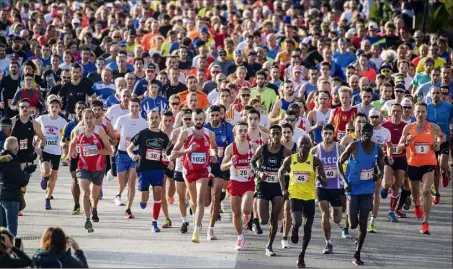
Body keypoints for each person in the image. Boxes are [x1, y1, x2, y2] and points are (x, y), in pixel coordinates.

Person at [338, 122, 384, 265]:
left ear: (372, 134)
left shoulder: (377, 148)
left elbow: (380, 163)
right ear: (359, 132)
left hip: (367, 188)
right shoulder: (354, 146)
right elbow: (339, 162)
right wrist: (344, 182)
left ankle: (357, 254)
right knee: (353, 224)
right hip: (352, 188)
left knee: (363, 222)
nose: (366, 134)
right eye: (363, 131)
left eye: (369, 132)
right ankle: (356, 231)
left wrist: (379, 173)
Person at [278, 136, 327, 268]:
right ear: (298, 145)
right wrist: (283, 188)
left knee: (308, 228)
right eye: (302, 143)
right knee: (298, 221)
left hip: (310, 197)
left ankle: (302, 255)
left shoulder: (315, 161)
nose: (304, 146)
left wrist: (318, 176)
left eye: (307, 144)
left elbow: (325, 182)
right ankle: (294, 228)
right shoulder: (291, 159)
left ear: (311, 146)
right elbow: (280, 171)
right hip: (294, 195)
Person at [170, 109, 217, 243]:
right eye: (195, 119)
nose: (198, 122)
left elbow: (214, 148)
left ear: (204, 119)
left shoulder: (210, 134)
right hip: (188, 170)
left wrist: (213, 155)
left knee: (200, 199)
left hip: (203, 170)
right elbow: (173, 153)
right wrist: (188, 150)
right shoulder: (185, 133)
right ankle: (197, 218)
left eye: (200, 119)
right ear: (192, 119)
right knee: (193, 199)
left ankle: (196, 231)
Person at [397, 102, 444, 235]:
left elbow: (442, 136)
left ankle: (425, 223)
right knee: (415, 195)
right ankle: (417, 204)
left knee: (426, 191)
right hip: (413, 165)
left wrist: (438, 144)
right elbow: (400, 147)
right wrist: (406, 142)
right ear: (414, 113)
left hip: (429, 164)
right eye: (418, 112)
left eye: (423, 112)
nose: (420, 114)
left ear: (426, 113)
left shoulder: (433, 127)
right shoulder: (408, 128)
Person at [68, 109, 112, 232]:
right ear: (82, 119)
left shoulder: (100, 131)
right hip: (83, 167)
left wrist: (96, 151)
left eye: (90, 117)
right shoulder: (78, 131)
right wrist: (70, 153)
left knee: (94, 195)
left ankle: (94, 208)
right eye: (85, 118)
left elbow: (109, 151)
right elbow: (73, 142)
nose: (88, 120)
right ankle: (87, 220)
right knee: (85, 193)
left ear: (94, 118)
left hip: (98, 168)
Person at [251, 124, 292, 257]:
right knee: (264, 220)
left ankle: (269, 246)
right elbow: (252, 163)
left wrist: (286, 172)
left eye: (277, 134)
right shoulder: (263, 149)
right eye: (273, 133)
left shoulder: (286, 151)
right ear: (270, 135)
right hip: (263, 185)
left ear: (281, 135)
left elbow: (293, 168)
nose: (275, 136)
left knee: (275, 219)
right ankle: (255, 221)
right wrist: (259, 172)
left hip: (278, 187)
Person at [127, 110, 170, 232]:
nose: (154, 120)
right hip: (143, 169)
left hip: (158, 169)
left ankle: (154, 222)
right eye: (152, 118)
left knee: (158, 191)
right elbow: (129, 148)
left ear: (160, 118)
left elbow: (167, 154)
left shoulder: (163, 137)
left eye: (156, 117)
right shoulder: (142, 134)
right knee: (144, 200)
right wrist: (132, 156)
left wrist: (169, 161)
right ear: (148, 119)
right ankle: (143, 201)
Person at [221, 121, 257, 250]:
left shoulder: (254, 146)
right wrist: (230, 162)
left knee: (246, 210)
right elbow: (222, 167)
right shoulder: (230, 148)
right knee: (236, 214)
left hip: (248, 183)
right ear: (235, 131)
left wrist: (256, 169)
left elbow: (261, 162)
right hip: (234, 182)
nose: (242, 133)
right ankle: (240, 237)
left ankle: (247, 217)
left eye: (244, 130)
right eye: (240, 130)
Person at [310, 124, 344, 254]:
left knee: (337, 218)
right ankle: (328, 243)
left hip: (336, 186)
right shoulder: (316, 150)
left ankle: (333, 212)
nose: (328, 136)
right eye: (325, 133)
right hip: (322, 186)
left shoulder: (340, 148)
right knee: (324, 215)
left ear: (333, 134)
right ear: (322, 134)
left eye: (330, 133)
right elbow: (308, 164)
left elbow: (350, 159)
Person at [114, 97, 148, 218]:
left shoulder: (144, 123)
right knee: (122, 183)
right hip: (122, 153)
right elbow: (114, 133)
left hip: (135, 154)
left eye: (136, 106)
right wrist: (113, 144)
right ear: (128, 107)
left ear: (139, 107)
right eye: (132, 106)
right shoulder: (122, 119)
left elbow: (145, 141)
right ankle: (118, 194)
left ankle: (128, 209)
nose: (134, 109)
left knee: (132, 182)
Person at [204, 105, 233, 240]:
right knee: (205, 202)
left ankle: (211, 228)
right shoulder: (204, 129)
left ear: (221, 116)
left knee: (215, 196)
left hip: (220, 168)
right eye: (212, 116)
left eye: (217, 115)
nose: (215, 118)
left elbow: (232, 147)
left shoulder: (227, 129)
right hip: (205, 167)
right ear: (208, 116)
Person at [35, 97, 67, 210]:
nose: (54, 108)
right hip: (45, 149)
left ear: (59, 108)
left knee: (53, 178)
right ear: (48, 108)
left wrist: (64, 146)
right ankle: (44, 176)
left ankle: (47, 199)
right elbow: (34, 128)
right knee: (47, 170)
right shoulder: (42, 119)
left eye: (56, 107)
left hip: (56, 152)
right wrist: (36, 139)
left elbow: (65, 137)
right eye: (52, 106)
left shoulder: (63, 122)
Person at [0, 137, 36, 236]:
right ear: (16, 149)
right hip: (11, 197)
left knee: (2, 228)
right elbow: (21, 182)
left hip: (1, 195)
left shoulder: (2, 159)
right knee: (11, 228)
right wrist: (27, 172)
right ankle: (10, 248)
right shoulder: (12, 163)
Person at [168, 109, 193, 234]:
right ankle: (184, 221)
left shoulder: (197, 131)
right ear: (182, 119)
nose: (188, 121)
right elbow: (171, 150)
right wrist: (170, 159)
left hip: (193, 167)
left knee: (191, 196)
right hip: (179, 166)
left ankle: (193, 213)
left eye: (190, 118)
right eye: (186, 118)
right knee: (181, 197)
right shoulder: (177, 131)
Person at [367, 108, 392, 233]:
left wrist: (389, 155)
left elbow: (389, 145)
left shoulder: (385, 131)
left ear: (381, 118)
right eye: (372, 117)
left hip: (378, 163)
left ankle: (372, 220)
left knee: (376, 192)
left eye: (377, 117)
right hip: (365, 163)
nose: (374, 119)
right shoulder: (365, 130)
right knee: (366, 192)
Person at [381, 103, 408, 221]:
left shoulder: (406, 126)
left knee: (398, 183)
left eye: (398, 111)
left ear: (402, 112)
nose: (395, 113)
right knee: (387, 183)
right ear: (390, 112)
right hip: (389, 157)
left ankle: (391, 211)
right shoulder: (384, 125)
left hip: (402, 157)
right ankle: (385, 187)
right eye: (393, 111)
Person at [426, 87, 452, 204]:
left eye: (438, 93)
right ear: (430, 95)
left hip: (444, 138)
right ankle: (436, 193)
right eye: (433, 93)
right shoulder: (427, 108)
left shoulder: (449, 107)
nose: (436, 95)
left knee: (442, 165)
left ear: (441, 95)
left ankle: (445, 173)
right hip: (431, 141)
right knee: (434, 169)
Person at [62, 102, 86, 215]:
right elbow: (62, 141)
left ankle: (87, 200)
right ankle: (76, 204)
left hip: (86, 156)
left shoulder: (90, 124)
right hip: (74, 156)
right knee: (75, 179)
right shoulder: (70, 125)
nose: (80, 110)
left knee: (86, 180)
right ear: (75, 111)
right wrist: (66, 148)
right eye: (78, 108)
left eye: (83, 108)